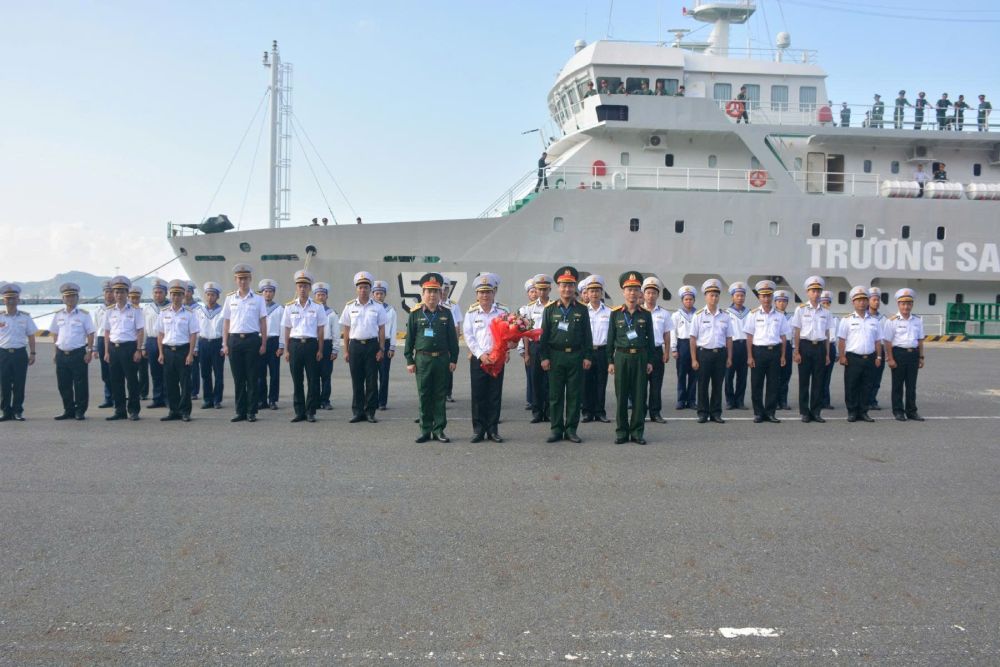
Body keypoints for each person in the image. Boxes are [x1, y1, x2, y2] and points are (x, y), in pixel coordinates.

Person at [539, 266, 593, 443]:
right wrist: (544, 357)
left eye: (570, 285)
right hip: (556, 356)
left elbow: (587, 335)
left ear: (574, 287)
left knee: (574, 396)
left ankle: (571, 430)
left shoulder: (582, 309)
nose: (567, 289)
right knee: (555, 396)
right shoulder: (550, 309)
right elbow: (544, 335)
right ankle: (556, 429)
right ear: (558, 288)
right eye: (563, 285)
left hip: (576, 356)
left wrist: (588, 356)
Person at [405, 272, 459, 443]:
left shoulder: (446, 313)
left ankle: (439, 430)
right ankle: (425, 430)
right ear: (423, 294)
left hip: (442, 359)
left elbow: (453, 339)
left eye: (436, 291)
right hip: (423, 360)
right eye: (429, 291)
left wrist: (453, 359)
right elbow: (409, 339)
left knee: (440, 395)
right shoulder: (415, 314)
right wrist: (409, 360)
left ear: (440, 294)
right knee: (424, 395)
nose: (432, 295)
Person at [608, 272, 655, 444]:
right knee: (621, 396)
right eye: (629, 289)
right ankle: (621, 432)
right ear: (623, 292)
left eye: (635, 289)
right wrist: (610, 361)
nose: (632, 293)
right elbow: (610, 339)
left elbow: (650, 339)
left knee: (639, 396)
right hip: (621, 357)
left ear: (639, 292)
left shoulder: (646, 314)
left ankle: (637, 432)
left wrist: (650, 361)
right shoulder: (615, 314)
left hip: (640, 357)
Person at [464, 273, 507, 442]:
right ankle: (478, 430)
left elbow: (508, 335)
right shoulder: (471, 313)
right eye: (481, 292)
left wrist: (507, 348)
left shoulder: (503, 312)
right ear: (477, 294)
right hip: (479, 359)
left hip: (497, 359)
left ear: (494, 292)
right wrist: (481, 355)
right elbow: (468, 336)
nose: (485, 295)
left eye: (488, 292)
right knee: (478, 395)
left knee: (495, 394)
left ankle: (493, 429)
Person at [222, 263, 268, 423]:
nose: (243, 281)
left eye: (245, 278)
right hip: (234, 340)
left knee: (252, 377)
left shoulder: (258, 299)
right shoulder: (230, 298)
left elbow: (263, 322)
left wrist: (263, 343)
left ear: (250, 279)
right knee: (238, 378)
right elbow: (226, 323)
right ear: (235, 280)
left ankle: (251, 411)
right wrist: (225, 344)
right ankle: (240, 411)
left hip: (252, 340)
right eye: (240, 278)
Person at [341, 270, 387, 423]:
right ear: (357, 289)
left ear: (370, 289)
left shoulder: (378, 307)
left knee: (372, 381)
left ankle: (370, 412)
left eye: (366, 287)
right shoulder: (349, 306)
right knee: (357, 380)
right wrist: (346, 350)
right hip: (355, 346)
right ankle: (358, 412)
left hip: (372, 346)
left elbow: (382, 329)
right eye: (360, 287)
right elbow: (346, 330)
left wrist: (381, 349)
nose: (363, 290)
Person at [744, 280, 790, 424]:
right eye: (763, 296)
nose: (766, 299)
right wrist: (750, 356)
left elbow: (783, 337)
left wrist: (783, 355)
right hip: (758, 352)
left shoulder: (780, 315)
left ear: (772, 297)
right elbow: (749, 336)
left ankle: (770, 413)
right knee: (756, 384)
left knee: (773, 384)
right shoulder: (753, 314)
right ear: (759, 297)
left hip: (775, 352)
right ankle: (758, 413)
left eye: (769, 296)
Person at [282, 270, 325, 423]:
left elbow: (321, 330)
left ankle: (311, 411)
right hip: (295, 345)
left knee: (313, 380)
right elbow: (287, 329)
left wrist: (320, 349)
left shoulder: (318, 307)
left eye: (305, 286)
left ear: (310, 288)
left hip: (311, 345)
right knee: (297, 380)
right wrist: (286, 350)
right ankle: (299, 412)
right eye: (300, 286)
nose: (302, 289)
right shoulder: (289, 307)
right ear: (296, 288)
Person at [790, 276, 834, 423]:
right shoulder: (800, 309)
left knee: (818, 381)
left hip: (820, 347)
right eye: (813, 291)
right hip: (805, 346)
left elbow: (827, 334)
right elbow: (797, 331)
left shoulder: (826, 312)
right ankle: (804, 412)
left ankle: (816, 412)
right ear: (808, 293)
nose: (816, 294)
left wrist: (827, 354)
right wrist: (796, 351)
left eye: (818, 291)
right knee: (804, 381)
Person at [689, 279, 733, 424]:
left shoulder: (725, 316)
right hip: (704, 354)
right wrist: (694, 359)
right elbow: (693, 338)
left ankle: (716, 413)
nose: (714, 298)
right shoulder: (698, 315)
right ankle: (702, 413)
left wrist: (729, 357)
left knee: (717, 385)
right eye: (711, 295)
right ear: (705, 296)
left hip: (720, 354)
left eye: (716, 295)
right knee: (702, 384)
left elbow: (729, 338)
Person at [49, 281, 94, 421]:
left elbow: (90, 333)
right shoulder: (58, 315)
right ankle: (68, 410)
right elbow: (55, 334)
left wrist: (89, 351)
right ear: (63, 299)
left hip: (78, 353)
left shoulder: (84, 315)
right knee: (63, 384)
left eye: (73, 296)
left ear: (77, 298)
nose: (70, 299)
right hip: (62, 354)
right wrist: (55, 352)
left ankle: (80, 410)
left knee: (80, 384)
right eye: (67, 296)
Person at [837, 286, 883, 423]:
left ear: (867, 301)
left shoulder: (874, 321)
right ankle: (852, 412)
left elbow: (878, 341)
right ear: (853, 302)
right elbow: (842, 340)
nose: (862, 303)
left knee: (867, 386)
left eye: (864, 300)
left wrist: (879, 356)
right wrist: (842, 356)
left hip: (870, 357)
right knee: (851, 385)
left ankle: (863, 412)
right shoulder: (847, 320)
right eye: (858, 300)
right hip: (853, 358)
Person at [157, 279, 199, 422]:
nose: (176, 297)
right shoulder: (163, 312)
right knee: (170, 383)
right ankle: (173, 410)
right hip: (168, 350)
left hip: (183, 350)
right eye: (173, 294)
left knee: (185, 383)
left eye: (179, 295)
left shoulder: (189, 313)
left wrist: (190, 354)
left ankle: (185, 411)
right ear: (170, 295)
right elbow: (160, 334)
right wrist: (161, 353)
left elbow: (193, 334)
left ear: (183, 296)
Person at [103, 275, 145, 421]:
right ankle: (119, 410)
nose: (119, 295)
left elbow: (140, 331)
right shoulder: (109, 311)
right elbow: (107, 332)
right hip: (114, 348)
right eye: (116, 292)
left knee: (132, 381)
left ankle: (134, 410)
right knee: (116, 381)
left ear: (127, 293)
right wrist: (106, 351)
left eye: (122, 292)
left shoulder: (135, 310)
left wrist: (138, 349)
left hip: (129, 348)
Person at [882, 288, 926, 422]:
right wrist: (890, 358)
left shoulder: (917, 320)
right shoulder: (892, 321)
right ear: (898, 304)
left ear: (912, 305)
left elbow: (920, 340)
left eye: (908, 304)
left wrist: (921, 357)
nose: (906, 307)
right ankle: (898, 411)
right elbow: (887, 341)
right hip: (898, 354)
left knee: (911, 385)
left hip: (913, 354)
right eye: (903, 304)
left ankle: (912, 411)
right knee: (898, 385)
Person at [0, 283, 37, 422]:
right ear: (4, 300)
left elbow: (31, 336)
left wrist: (33, 353)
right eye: (8, 298)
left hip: (19, 353)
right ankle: (5, 412)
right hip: (3, 353)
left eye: (13, 298)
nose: (10, 301)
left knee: (19, 384)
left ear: (18, 300)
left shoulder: (25, 317)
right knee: (4, 384)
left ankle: (17, 411)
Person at [641, 276, 672, 424]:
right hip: (641, 351)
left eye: (654, 293)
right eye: (648, 293)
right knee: (641, 385)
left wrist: (666, 352)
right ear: (643, 294)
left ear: (658, 295)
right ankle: (641, 412)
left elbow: (667, 334)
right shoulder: (638, 311)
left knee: (656, 384)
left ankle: (655, 413)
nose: (651, 295)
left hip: (657, 351)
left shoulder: (664, 313)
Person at [581, 275, 611, 424]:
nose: (594, 294)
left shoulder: (609, 312)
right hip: (586, 351)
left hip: (602, 351)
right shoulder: (582, 311)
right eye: (591, 291)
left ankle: (600, 412)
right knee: (586, 382)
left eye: (597, 291)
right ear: (587, 293)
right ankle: (587, 412)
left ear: (601, 293)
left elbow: (612, 335)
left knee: (601, 382)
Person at [524, 274, 553, 423]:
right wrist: (526, 353)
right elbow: (526, 332)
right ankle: (537, 412)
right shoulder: (529, 308)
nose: (542, 292)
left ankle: (548, 412)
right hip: (535, 346)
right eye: (539, 289)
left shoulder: (555, 306)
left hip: (550, 346)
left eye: (545, 289)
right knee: (535, 380)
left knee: (549, 381)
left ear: (549, 289)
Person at [196, 282, 225, 409]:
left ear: (217, 296)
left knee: (218, 373)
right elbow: (196, 330)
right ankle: (207, 399)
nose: (210, 297)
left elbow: (225, 330)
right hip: (203, 343)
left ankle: (217, 400)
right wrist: (195, 347)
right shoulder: (199, 311)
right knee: (205, 373)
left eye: (213, 295)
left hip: (216, 343)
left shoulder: (222, 311)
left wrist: (224, 346)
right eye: (208, 294)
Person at [311, 282, 340, 410]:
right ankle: (315, 400)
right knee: (313, 374)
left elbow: (336, 333)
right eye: (318, 295)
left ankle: (325, 400)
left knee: (326, 375)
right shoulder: (311, 311)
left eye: (323, 295)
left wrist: (335, 349)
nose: (320, 297)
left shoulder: (332, 314)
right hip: (313, 344)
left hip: (327, 345)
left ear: (327, 296)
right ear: (315, 296)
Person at [142, 278, 169, 409]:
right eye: (155, 292)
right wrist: (143, 346)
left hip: (167, 341)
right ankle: (157, 398)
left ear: (165, 293)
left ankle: (168, 398)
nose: (157, 295)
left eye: (160, 292)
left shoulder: (170, 307)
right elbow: (144, 328)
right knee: (155, 372)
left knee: (168, 372)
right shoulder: (148, 308)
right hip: (152, 341)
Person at [257, 279, 284, 411]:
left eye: (270, 291)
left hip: (273, 342)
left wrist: (281, 346)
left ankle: (273, 400)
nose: (268, 294)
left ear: (274, 293)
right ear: (262, 293)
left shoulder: (279, 309)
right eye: (266, 291)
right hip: (260, 341)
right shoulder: (257, 308)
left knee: (274, 373)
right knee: (260, 373)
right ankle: (262, 400)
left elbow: (283, 328)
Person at [670, 285, 698, 410]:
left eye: (691, 299)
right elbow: (673, 332)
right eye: (686, 299)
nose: (688, 301)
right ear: (682, 300)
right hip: (682, 345)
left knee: (694, 374)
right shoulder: (676, 315)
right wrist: (674, 349)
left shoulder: (698, 314)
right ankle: (681, 400)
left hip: (696, 345)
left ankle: (691, 400)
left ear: (694, 300)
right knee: (681, 374)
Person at [724, 282, 750, 410]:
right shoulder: (726, 313)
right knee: (729, 375)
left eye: (742, 296)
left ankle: (740, 401)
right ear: (732, 297)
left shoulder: (749, 313)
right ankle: (730, 401)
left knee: (742, 375)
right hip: (731, 346)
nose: (740, 298)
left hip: (745, 346)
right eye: (737, 295)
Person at [372, 280, 397, 410]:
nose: (379, 296)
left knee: (384, 374)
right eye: (377, 293)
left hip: (386, 343)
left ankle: (382, 402)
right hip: (372, 343)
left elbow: (393, 329)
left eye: (381, 293)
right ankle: (372, 400)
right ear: (373, 294)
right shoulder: (369, 308)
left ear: (385, 295)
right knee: (371, 374)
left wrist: (392, 347)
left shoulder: (390, 310)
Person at [441, 277, 463, 402]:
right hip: (439, 340)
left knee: (449, 367)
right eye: (442, 289)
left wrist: (455, 342)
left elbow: (457, 324)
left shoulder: (453, 305)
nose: (444, 292)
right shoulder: (433, 304)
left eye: (446, 289)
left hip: (450, 340)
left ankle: (448, 392)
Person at [92, 280, 114, 408]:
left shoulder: (118, 308)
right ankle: (108, 397)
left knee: (116, 370)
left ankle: (118, 397)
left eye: (111, 291)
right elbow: (95, 329)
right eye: (107, 292)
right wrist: (94, 348)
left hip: (115, 340)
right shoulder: (98, 310)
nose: (109, 294)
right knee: (105, 371)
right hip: (101, 339)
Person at [866, 287, 887, 410]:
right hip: (868, 350)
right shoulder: (863, 317)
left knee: (877, 378)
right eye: (874, 300)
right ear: (868, 301)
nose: (877, 302)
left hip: (880, 351)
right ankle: (864, 400)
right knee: (866, 378)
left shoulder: (883, 319)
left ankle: (872, 400)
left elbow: (886, 338)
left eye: (878, 300)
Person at [519, 278, 539, 410]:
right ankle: (531, 399)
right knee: (531, 374)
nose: (535, 294)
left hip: (543, 345)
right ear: (528, 294)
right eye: (532, 291)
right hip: (530, 345)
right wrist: (525, 352)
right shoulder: (524, 309)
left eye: (536, 291)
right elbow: (523, 331)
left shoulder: (548, 307)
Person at [773, 290, 794, 410]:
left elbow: (794, 333)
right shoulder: (772, 316)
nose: (782, 303)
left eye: (784, 301)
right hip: (776, 347)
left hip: (788, 347)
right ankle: (774, 401)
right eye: (779, 301)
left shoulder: (791, 317)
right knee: (775, 375)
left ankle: (783, 401)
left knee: (786, 375)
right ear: (775, 302)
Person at [128, 284, 149, 399]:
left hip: (141, 344)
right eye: (132, 298)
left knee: (143, 370)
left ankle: (143, 392)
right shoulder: (126, 312)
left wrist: (143, 346)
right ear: (128, 298)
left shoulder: (143, 311)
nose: (134, 300)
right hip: (129, 345)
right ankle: (133, 392)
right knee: (130, 371)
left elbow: (145, 330)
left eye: (136, 298)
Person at [819, 290, 837, 410]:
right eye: (823, 302)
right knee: (818, 375)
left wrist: (838, 353)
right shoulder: (818, 316)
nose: (826, 305)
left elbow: (838, 336)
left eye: (828, 303)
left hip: (831, 347)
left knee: (827, 376)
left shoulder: (835, 318)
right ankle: (817, 400)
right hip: (820, 346)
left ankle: (826, 401)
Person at [184, 281, 201, 402]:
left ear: (192, 293)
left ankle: (194, 391)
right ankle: (185, 390)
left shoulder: (198, 309)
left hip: (194, 342)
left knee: (194, 369)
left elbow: (199, 329)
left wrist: (195, 346)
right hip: (182, 342)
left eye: (188, 291)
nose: (186, 294)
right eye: (184, 291)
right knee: (183, 370)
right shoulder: (180, 307)